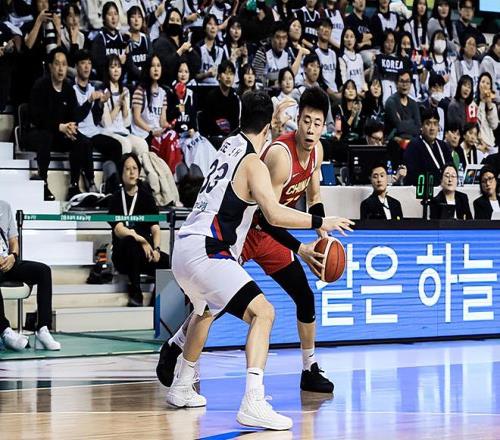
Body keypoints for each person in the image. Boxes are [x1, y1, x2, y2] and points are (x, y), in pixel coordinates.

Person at [164, 90, 353, 430]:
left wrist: (272, 118)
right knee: (263, 312)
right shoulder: (256, 163)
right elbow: (273, 214)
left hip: (185, 246)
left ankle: (181, 385)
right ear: (268, 128)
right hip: (211, 250)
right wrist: (320, 222)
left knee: (205, 310)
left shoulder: (229, 144)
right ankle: (253, 400)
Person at [28, 47, 95, 201]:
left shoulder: (68, 89)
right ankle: (43, 182)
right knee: (45, 137)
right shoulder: (40, 86)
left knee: (81, 140)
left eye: (64, 64)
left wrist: (71, 126)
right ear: (50, 66)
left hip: (59, 134)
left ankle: (74, 186)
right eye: (57, 64)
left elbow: (74, 115)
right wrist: (59, 126)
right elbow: (36, 117)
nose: (61, 68)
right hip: (37, 132)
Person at [108, 153, 170, 307]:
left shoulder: (146, 198)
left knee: (169, 262)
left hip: (145, 253)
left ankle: (156, 302)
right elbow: (119, 229)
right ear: (121, 173)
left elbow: (155, 228)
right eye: (127, 169)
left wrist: (156, 249)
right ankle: (136, 293)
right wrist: (141, 239)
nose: (131, 172)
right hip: (123, 255)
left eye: (135, 168)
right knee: (130, 241)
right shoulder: (115, 198)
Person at [0, 200, 60, 351]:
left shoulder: (5, 206)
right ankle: (5, 331)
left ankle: (43, 330)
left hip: (8, 261)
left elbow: (13, 240)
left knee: (43, 271)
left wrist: (13, 256)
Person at [72, 50, 123, 178]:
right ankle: (90, 181)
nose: (87, 67)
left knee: (116, 146)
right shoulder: (71, 89)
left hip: (93, 131)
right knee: (85, 143)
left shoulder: (93, 88)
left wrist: (100, 104)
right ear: (76, 66)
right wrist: (89, 101)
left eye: (89, 63)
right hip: (78, 132)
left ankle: (112, 180)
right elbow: (76, 117)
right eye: (83, 63)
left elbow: (95, 119)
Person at [102, 54, 149, 156]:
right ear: (107, 70)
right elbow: (106, 123)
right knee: (125, 145)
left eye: (118, 67)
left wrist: (124, 106)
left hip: (124, 132)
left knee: (142, 144)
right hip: (109, 133)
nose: (116, 70)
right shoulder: (103, 91)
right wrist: (118, 105)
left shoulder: (125, 91)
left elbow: (127, 123)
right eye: (112, 67)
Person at [404, 107, 452, 185]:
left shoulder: (444, 146)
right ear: (421, 126)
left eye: (435, 124)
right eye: (428, 124)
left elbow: (452, 169)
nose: (432, 128)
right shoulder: (413, 146)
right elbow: (414, 176)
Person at [153, 8, 200, 86]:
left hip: (187, 85)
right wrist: (180, 51)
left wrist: (190, 50)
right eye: (172, 20)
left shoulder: (183, 41)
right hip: (167, 86)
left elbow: (197, 64)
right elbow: (165, 66)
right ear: (167, 22)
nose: (175, 22)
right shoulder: (160, 42)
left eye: (178, 20)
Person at [200, 60, 240, 136]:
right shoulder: (211, 96)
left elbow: (235, 123)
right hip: (214, 136)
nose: (228, 77)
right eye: (225, 73)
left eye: (231, 74)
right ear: (219, 76)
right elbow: (207, 122)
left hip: (231, 137)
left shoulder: (235, 97)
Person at [385, 70, 422, 147]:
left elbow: (418, 128)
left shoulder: (414, 104)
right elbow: (398, 127)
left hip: (413, 143)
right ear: (396, 83)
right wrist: (411, 122)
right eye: (402, 81)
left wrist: (403, 123)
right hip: (395, 144)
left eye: (407, 81)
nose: (404, 85)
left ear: (411, 84)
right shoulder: (391, 102)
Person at [91, 1, 127, 79]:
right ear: (104, 18)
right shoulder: (99, 39)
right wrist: (118, 61)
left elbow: (129, 65)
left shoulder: (123, 38)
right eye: (110, 14)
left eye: (116, 14)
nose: (113, 18)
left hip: (121, 79)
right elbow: (99, 66)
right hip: (104, 80)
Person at [252, 22, 291, 88]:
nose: (281, 42)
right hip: (266, 91)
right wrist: (272, 83)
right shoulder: (262, 52)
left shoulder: (288, 52)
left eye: (284, 38)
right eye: (278, 38)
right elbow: (257, 79)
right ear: (271, 38)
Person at [195, 14, 226, 86]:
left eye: (215, 25)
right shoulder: (198, 48)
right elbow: (194, 76)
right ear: (204, 28)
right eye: (210, 24)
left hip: (217, 87)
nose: (213, 27)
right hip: (200, 87)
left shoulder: (221, 50)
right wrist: (207, 74)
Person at [125, 6, 152, 84]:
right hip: (131, 82)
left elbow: (150, 59)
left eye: (139, 17)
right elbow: (129, 65)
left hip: (146, 80)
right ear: (128, 20)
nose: (136, 20)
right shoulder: (125, 39)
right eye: (133, 17)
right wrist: (142, 76)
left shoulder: (146, 38)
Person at [476, 72, 499, 155]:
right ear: (478, 85)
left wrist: (489, 104)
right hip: (478, 146)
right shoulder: (473, 104)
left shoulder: (492, 105)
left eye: (488, 83)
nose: (485, 85)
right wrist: (482, 102)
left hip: (491, 146)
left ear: (490, 87)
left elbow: (494, 125)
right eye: (483, 82)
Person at [479, 33, 500, 99]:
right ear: (493, 46)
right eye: (499, 45)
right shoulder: (487, 62)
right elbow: (491, 87)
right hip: (489, 99)